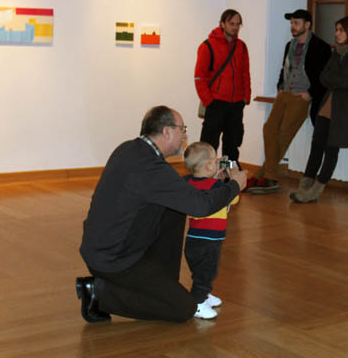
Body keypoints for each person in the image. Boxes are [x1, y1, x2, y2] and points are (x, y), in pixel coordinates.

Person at [77, 106, 247, 323]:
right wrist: (234, 185)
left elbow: (185, 193)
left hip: (104, 248)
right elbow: (200, 206)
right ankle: (99, 294)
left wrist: (210, 181)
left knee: (175, 205)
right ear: (166, 131)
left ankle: (163, 283)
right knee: (183, 308)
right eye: (182, 129)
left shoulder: (130, 150)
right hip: (114, 259)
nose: (184, 135)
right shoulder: (151, 168)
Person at [247, 9, 332, 194]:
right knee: (269, 129)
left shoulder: (321, 47)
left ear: (307, 25)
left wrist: (310, 94)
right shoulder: (290, 45)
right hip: (284, 93)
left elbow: (325, 76)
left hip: (301, 97)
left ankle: (267, 176)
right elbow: (284, 67)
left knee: (284, 134)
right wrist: (280, 85)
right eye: (291, 23)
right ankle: (266, 175)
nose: (292, 26)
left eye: (296, 23)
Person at [290, 16, 348, 203]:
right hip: (326, 107)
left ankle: (315, 192)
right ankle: (304, 187)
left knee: (331, 151)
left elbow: (345, 81)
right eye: (336, 30)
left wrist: (334, 79)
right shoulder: (335, 53)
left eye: (341, 30)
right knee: (316, 147)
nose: (337, 34)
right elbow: (323, 77)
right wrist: (335, 79)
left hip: (343, 111)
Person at [182, 142, 239, 319]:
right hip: (210, 240)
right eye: (215, 161)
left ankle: (204, 295)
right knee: (207, 272)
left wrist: (215, 177)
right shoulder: (217, 187)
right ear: (208, 166)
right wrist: (233, 180)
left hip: (193, 239)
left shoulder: (188, 183)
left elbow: (203, 185)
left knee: (200, 270)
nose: (218, 163)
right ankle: (198, 303)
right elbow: (233, 198)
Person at [195, 9, 251, 167]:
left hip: (236, 104)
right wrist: (208, 100)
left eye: (238, 24)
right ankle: (204, 173)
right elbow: (199, 77)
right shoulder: (207, 46)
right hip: (216, 103)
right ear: (222, 24)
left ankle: (228, 174)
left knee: (232, 145)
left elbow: (245, 73)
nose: (235, 27)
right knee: (209, 144)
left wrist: (246, 96)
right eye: (231, 23)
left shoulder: (242, 47)